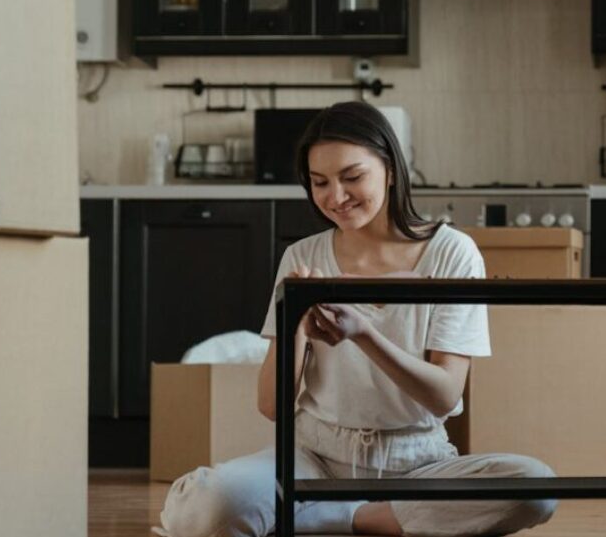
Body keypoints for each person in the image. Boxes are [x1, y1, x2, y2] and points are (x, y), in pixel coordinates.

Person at [156, 101, 557, 537]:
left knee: (534, 487)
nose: (336, 197)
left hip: (419, 463)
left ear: (389, 167)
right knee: (208, 506)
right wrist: (297, 327)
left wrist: (363, 334)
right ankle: (373, 519)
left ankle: (334, 517)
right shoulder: (303, 256)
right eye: (319, 183)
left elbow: (444, 395)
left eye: (352, 177)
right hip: (313, 457)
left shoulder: (453, 253)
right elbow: (272, 406)